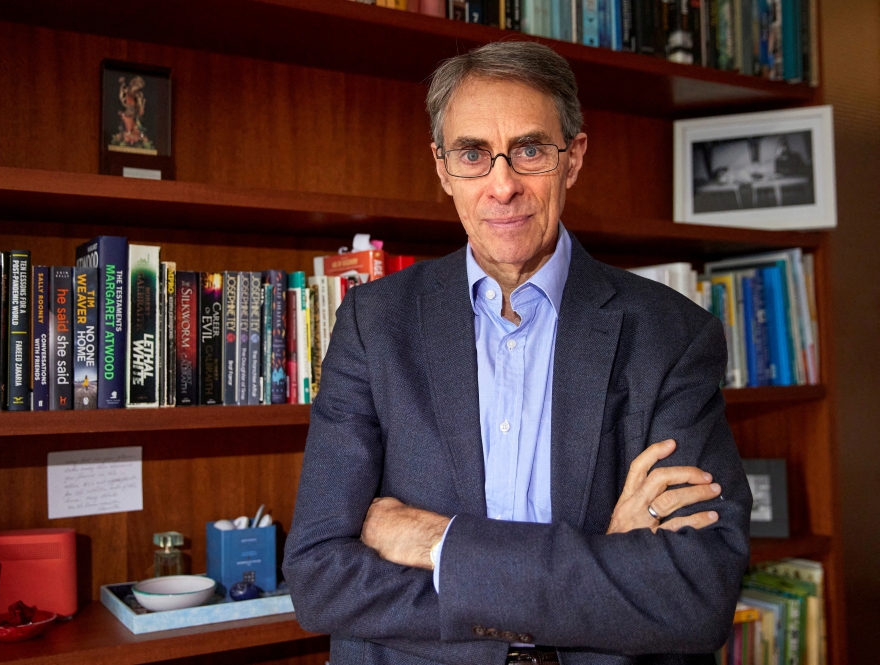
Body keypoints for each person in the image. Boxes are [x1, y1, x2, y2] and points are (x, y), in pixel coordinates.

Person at [283, 41, 752, 665]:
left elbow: (697, 594)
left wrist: (437, 543)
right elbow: (319, 579)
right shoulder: (375, 324)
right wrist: (602, 565)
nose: (502, 186)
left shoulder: (671, 334)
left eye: (530, 151)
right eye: (474, 155)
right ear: (443, 168)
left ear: (573, 158)